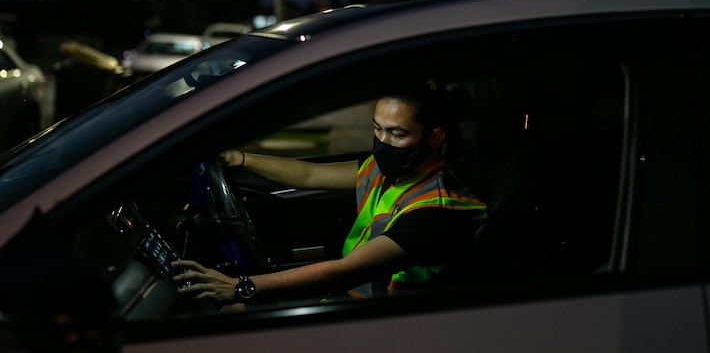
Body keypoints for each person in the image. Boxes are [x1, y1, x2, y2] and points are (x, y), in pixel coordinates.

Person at [172, 83, 487, 305]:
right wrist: (239, 159)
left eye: (397, 133)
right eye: (377, 128)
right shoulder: (388, 170)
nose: (381, 141)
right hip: (354, 302)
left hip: (390, 325)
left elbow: (344, 271)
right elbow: (309, 174)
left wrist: (242, 287)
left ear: (434, 138)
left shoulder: (438, 208)